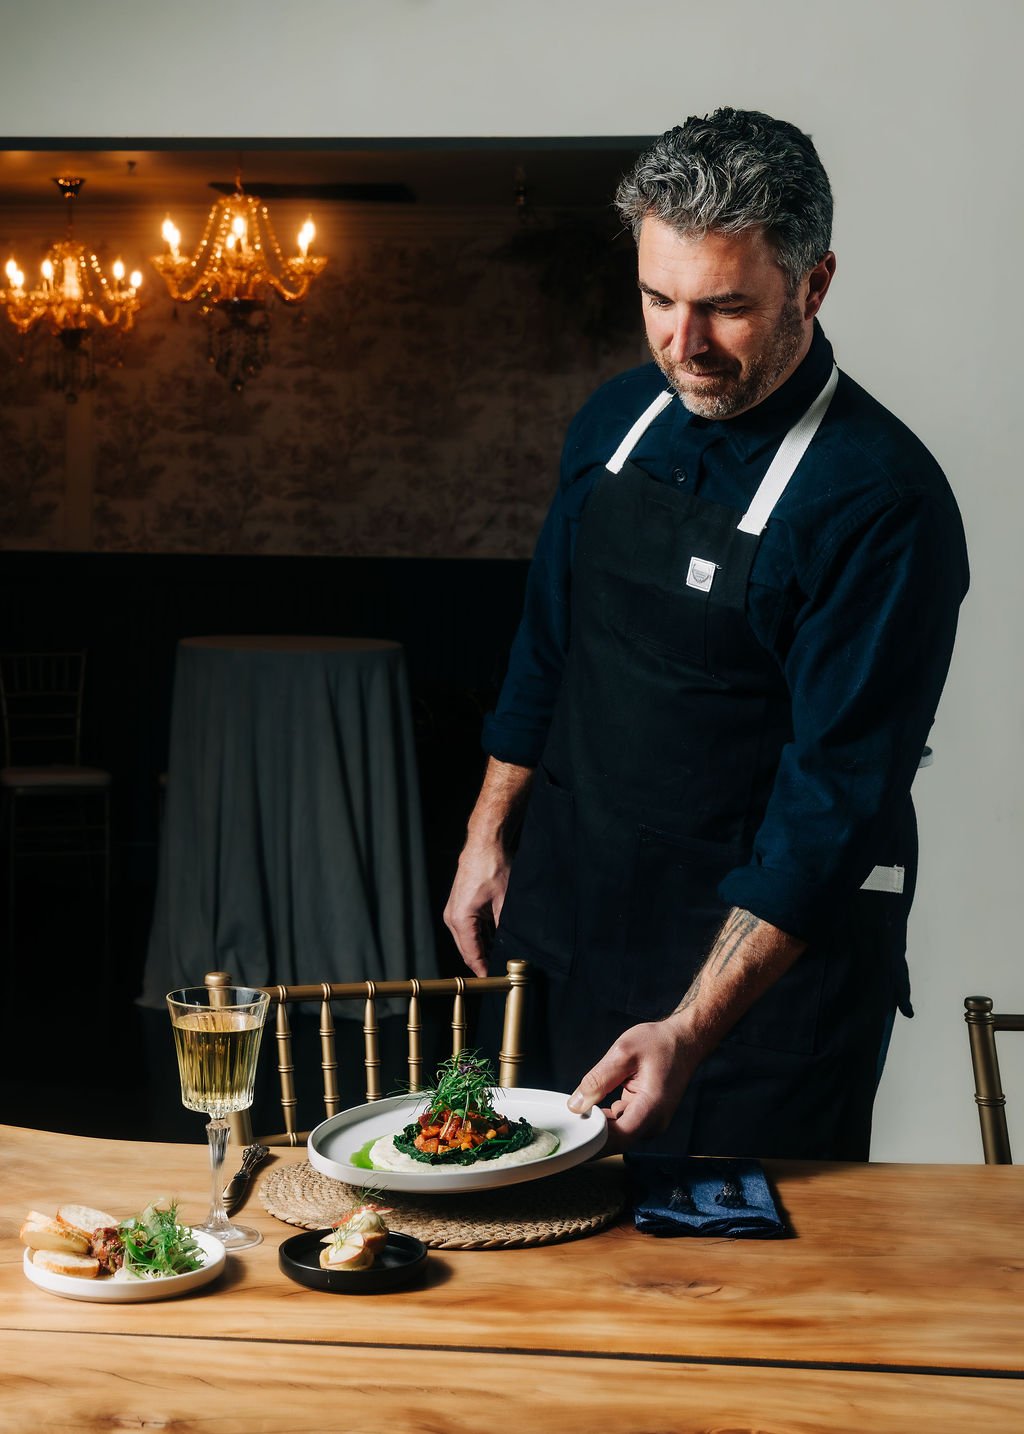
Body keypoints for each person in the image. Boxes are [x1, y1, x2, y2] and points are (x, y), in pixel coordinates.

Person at [444, 109, 968, 1161]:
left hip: (759, 997)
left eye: (725, 308)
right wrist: (488, 832)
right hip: (579, 920)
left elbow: (836, 803)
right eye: (657, 299)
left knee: (732, 1298)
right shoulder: (612, 423)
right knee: (552, 1264)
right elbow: (548, 646)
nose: (683, 346)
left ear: (811, 286)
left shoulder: (881, 504)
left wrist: (690, 1027)